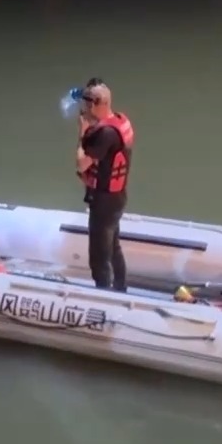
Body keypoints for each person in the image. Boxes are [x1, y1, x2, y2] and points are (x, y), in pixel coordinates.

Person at [74, 82, 133, 291]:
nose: (85, 107)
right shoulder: (119, 121)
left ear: (99, 103)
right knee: (113, 247)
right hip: (116, 197)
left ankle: (104, 294)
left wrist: (82, 133)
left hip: (104, 201)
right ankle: (120, 288)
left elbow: (82, 164)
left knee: (99, 256)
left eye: (88, 102)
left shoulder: (106, 133)